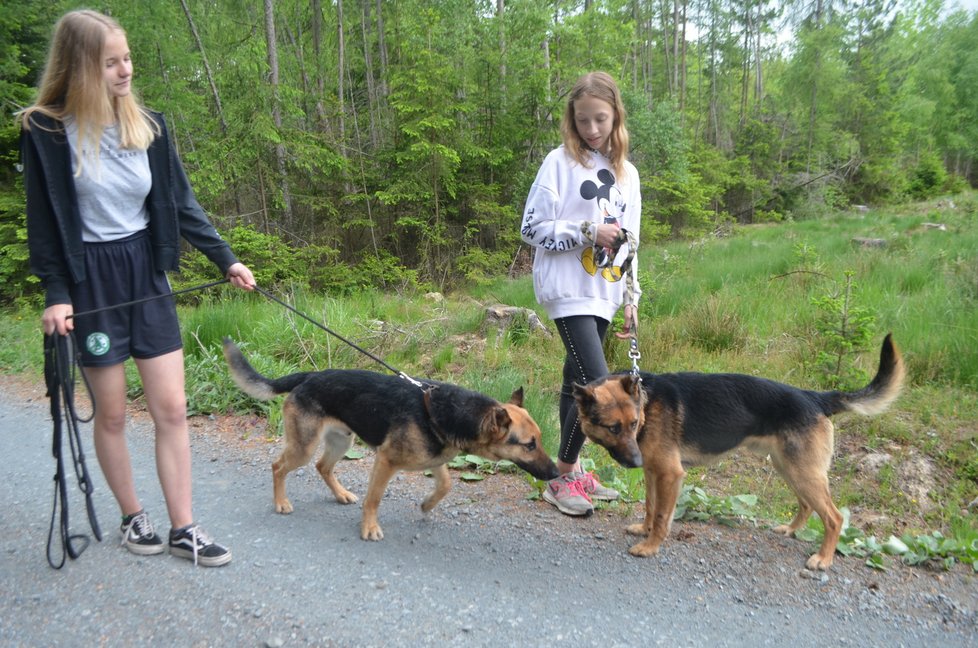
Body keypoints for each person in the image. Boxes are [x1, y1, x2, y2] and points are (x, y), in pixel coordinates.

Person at [19, 9, 256, 566]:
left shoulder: (147, 125)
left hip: (144, 272)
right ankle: (133, 516)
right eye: (110, 62)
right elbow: (44, 222)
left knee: (172, 407)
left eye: (126, 58)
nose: (125, 70)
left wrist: (226, 260)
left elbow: (179, 203)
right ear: (80, 68)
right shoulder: (47, 132)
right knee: (114, 414)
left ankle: (184, 527)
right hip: (89, 279)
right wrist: (57, 292)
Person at [519, 71, 642, 517]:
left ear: (616, 118)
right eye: (583, 120)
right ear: (572, 119)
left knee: (579, 384)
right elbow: (531, 228)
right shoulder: (559, 162)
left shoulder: (627, 174)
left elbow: (631, 240)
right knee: (599, 384)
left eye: (601, 120)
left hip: (605, 291)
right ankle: (562, 476)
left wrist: (632, 297)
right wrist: (588, 231)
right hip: (567, 287)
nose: (592, 129)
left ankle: (566, 474)